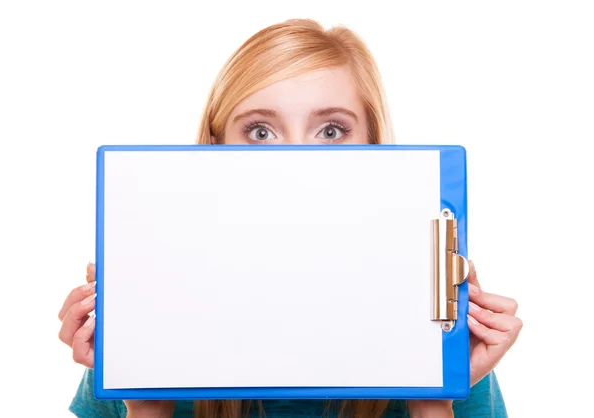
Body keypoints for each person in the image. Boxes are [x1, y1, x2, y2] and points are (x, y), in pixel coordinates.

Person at [58, 18, 522, 418]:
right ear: (216, 146)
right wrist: (142, 400)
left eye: (331, 131)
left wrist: (434, 398)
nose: (297, 157)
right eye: (260, 131)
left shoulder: (435, 333)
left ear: (375, 145)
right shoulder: (150, 321)